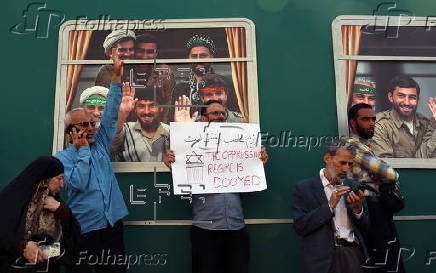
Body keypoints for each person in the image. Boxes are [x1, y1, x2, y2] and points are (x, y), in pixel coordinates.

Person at [164, 100, 268, 273]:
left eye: (222, 114)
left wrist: (259, 160)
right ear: (204, 119)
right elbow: (183, 177)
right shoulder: (190, 145)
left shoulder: (239, 142)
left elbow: (248, 172)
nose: (220, 117)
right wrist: (172, 163)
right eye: (215, 113)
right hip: (205, 231)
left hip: (236, 228)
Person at [55, 49, 128, 273]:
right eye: (83, 125)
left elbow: (112, 111)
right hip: (84, 229)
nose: (90, 127)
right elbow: (77, 183)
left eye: (91, 124)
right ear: (70, 131)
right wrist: (83, 151)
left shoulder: (101, 144)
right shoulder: (61, 159)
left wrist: (116, 76)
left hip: (112, 223)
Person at [292, 139, 369, 273]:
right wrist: (329, 206)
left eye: (350, 164)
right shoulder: (304, 188)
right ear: (327, 158)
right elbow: (300, 227)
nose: (346, 169)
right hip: (321, 261)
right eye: (342, 163)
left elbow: (368, 228)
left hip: (353, 255)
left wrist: (358, 210)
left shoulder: (354, 186)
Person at [347, 103, 406, 273]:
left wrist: (381, 178)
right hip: (369, 208)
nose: (371, 123)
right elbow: (390, 174)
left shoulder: (367, 147)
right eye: (365, 119)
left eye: (373, 119)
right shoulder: (352, 146)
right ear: (352, 123)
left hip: (379, 208)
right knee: (384, 261)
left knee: (390, 259)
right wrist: (384, 178)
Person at [0, 156, 80, 273]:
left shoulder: (56, 204)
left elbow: (71, 242)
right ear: (45, 179)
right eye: (59, 178)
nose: (62, 185)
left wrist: (62, 211)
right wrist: (22, 247)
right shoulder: (12, 200)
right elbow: (4, 234)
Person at [371, 75, 436, 157]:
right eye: (401, 96)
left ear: (418, 100)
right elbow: (386, 167)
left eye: (412, 97)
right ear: (391, 97)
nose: (407, 102)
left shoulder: (425, 123)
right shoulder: (379, 125)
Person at [112, 84, 169, 162]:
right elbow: (112, 141)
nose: (146, 111)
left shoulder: (170, 131)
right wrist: (122, 114)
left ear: (161, 108)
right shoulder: (126, 129)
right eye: (141, 106)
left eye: (152, 106)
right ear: (135, 109)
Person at [134, 33, 175, 123]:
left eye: (150, 52)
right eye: (140, 51)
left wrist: (161, 129)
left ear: (156, 54)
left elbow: (168, 104)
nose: (144, 57)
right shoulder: (124, 71)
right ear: (134, 51)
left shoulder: (163, 74)